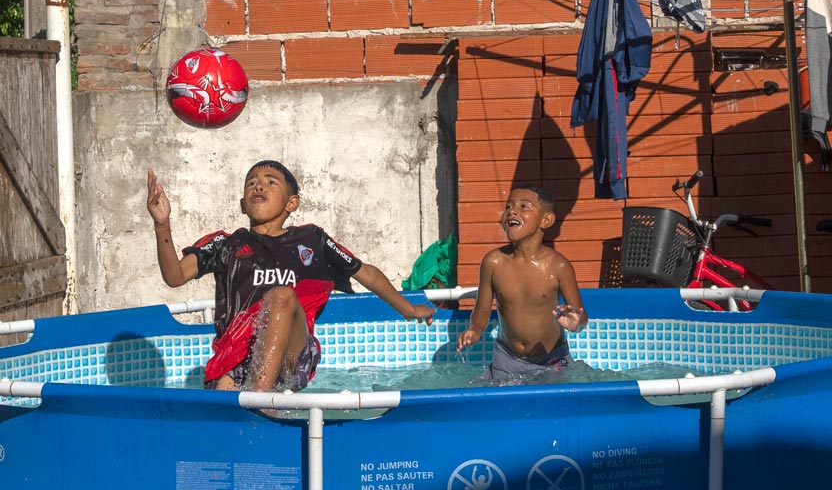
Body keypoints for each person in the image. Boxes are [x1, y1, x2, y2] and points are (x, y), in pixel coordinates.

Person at [146, 161, 436, 392]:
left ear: (291, 203)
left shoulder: (312, 241)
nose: (258, 185)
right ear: (242, 204)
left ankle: (260, 399)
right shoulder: (227, 244)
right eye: (251, 183)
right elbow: (175, 276)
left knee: (282, 296)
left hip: (292, 355)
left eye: (271, 182)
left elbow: (366, 273)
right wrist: (162, 225)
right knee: (224, 399)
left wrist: (408, 309)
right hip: (237, 353)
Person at [456, 184, 588, 380]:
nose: (512, 211)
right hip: (507, 360)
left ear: (546, 220)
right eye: (509, 207)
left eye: (524, 206)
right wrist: (475, 329)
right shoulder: (493, 262)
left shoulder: (559, 267)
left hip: (552, 361)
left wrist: (577, 324)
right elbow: (483, 308)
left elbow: (579, 315)